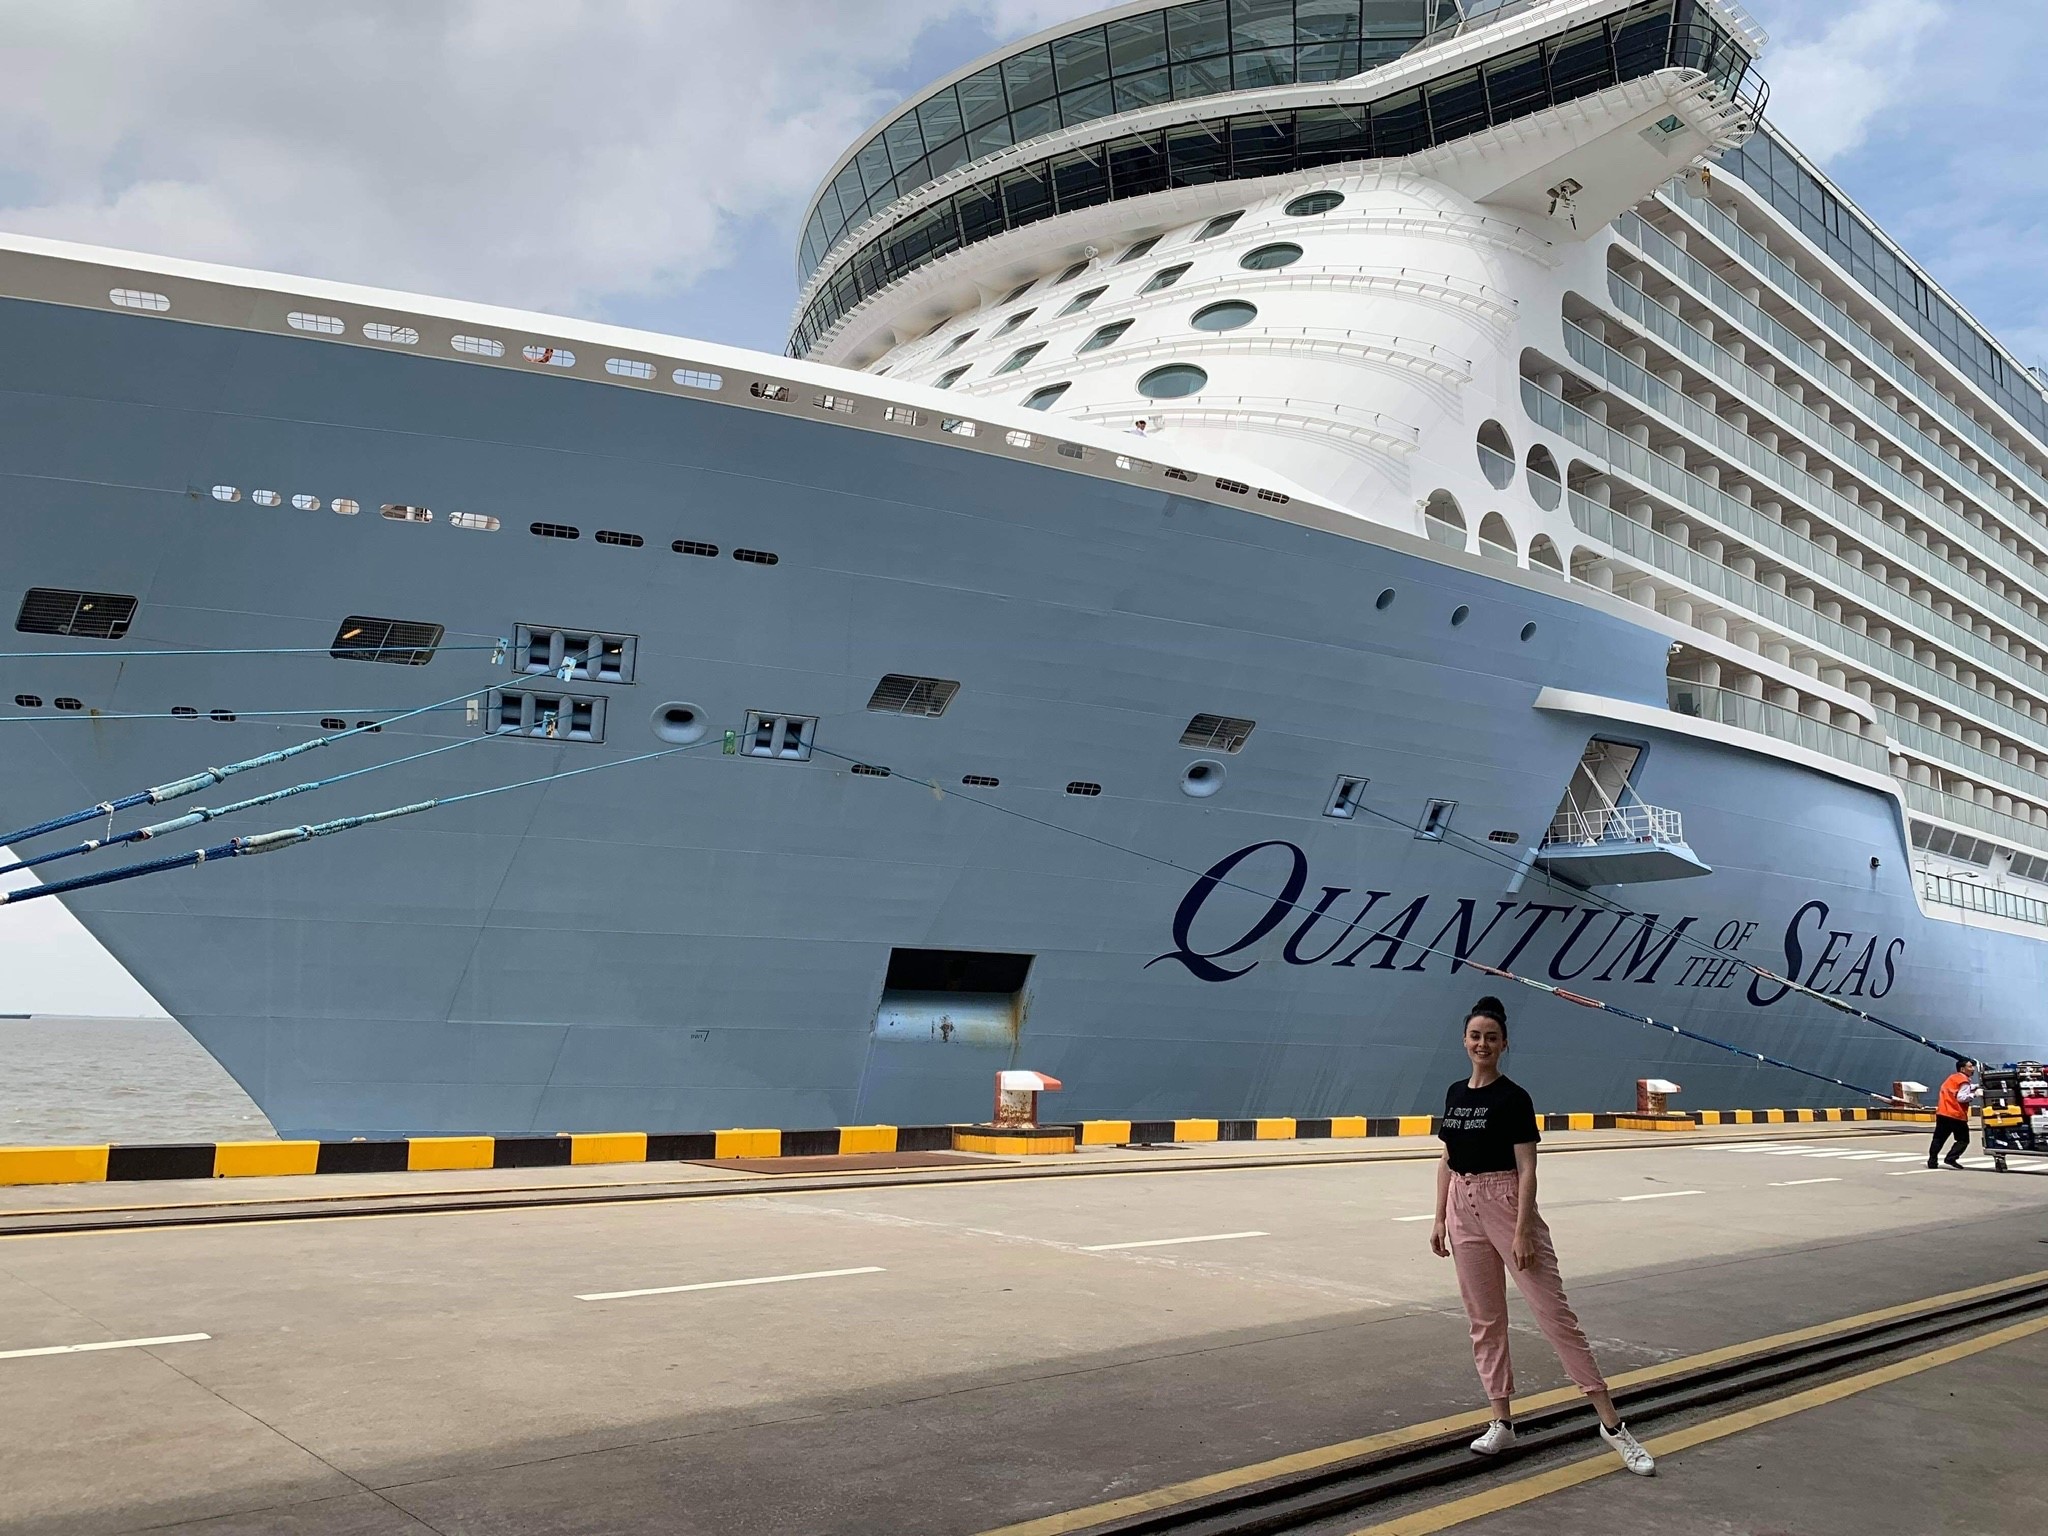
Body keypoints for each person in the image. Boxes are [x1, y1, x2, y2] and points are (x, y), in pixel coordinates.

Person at [1430, 995, 1655, 1476]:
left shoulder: (1514, 1097)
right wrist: (1437, 1219)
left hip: (1505, 1201)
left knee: (1555, 1317)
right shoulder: (1454, 1093)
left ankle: (1612, 1426)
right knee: (1484, 1321)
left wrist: (1523, 1229)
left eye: (1491, 1037)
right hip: (1461, 1208)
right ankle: (1502, 1420)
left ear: (1504, 1043)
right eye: (1475, 1036)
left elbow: (1528, 1169)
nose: (1482, 1044)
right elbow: (1446, 1159)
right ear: (1464, 1041)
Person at [1928, 1058, 1980, 1168]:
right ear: (1962, 1069)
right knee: (1963, 1140)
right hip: (1956, 1115)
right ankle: (1951, 1158)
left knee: (1938, 1138)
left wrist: (1974, 1087)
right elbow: (1961, 1097)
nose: (1973, 1069)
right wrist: (1975, 1094)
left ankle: (1932, 1161)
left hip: (1943, 1113)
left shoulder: (1952, 1078)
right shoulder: (1964, 1081)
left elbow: (1956, 1090)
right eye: (1970, 1067)